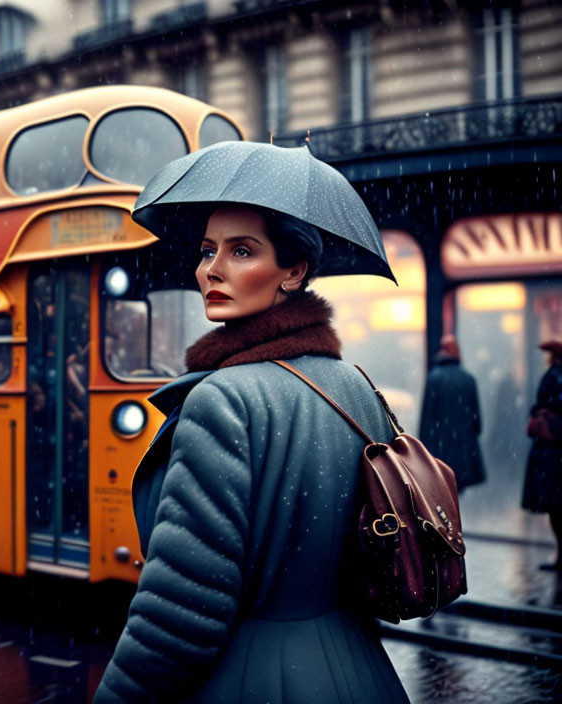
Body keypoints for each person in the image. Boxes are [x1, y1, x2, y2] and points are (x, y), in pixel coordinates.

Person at [95, 205, 408, 702]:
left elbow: (178, 612)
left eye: (241, 250)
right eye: (206, 251)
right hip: (361, 669)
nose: (210, 269)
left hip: (252, 679)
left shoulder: (220, 400)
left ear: (295, 272)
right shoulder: (355, 386)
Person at [418, 334, 486, 493]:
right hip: (463, 447)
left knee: (443, 490)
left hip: (441, 448)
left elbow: (427, 419)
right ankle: (457, 516)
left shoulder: (434, 379)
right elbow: (477, 422)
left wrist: (423, 448)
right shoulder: (468, 379)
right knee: (457, 489)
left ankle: (447, 517)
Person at [522, 340, 562, 570]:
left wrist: (539, 411)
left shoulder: (554, 375)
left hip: (552, 452)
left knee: (556, 507)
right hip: (555, 452)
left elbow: (546, 403)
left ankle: (560, 557)